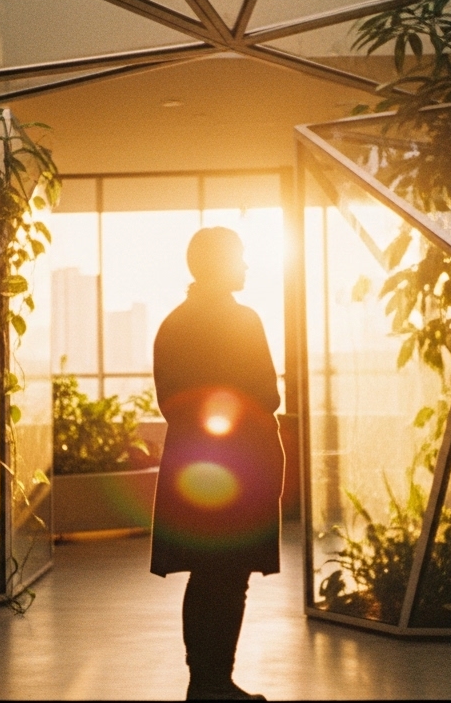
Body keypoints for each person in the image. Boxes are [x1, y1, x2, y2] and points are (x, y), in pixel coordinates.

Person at [151, 227, 283, 701]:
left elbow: (170, 401)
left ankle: (202, 680)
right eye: (241, 258)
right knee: (230, 578)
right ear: (221, 263)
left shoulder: (173, 323)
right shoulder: (242, 320)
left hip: (192, 466)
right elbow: (268, 394)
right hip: (241, 467)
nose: (247, 266)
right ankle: (217, 681)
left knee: (206, 574)